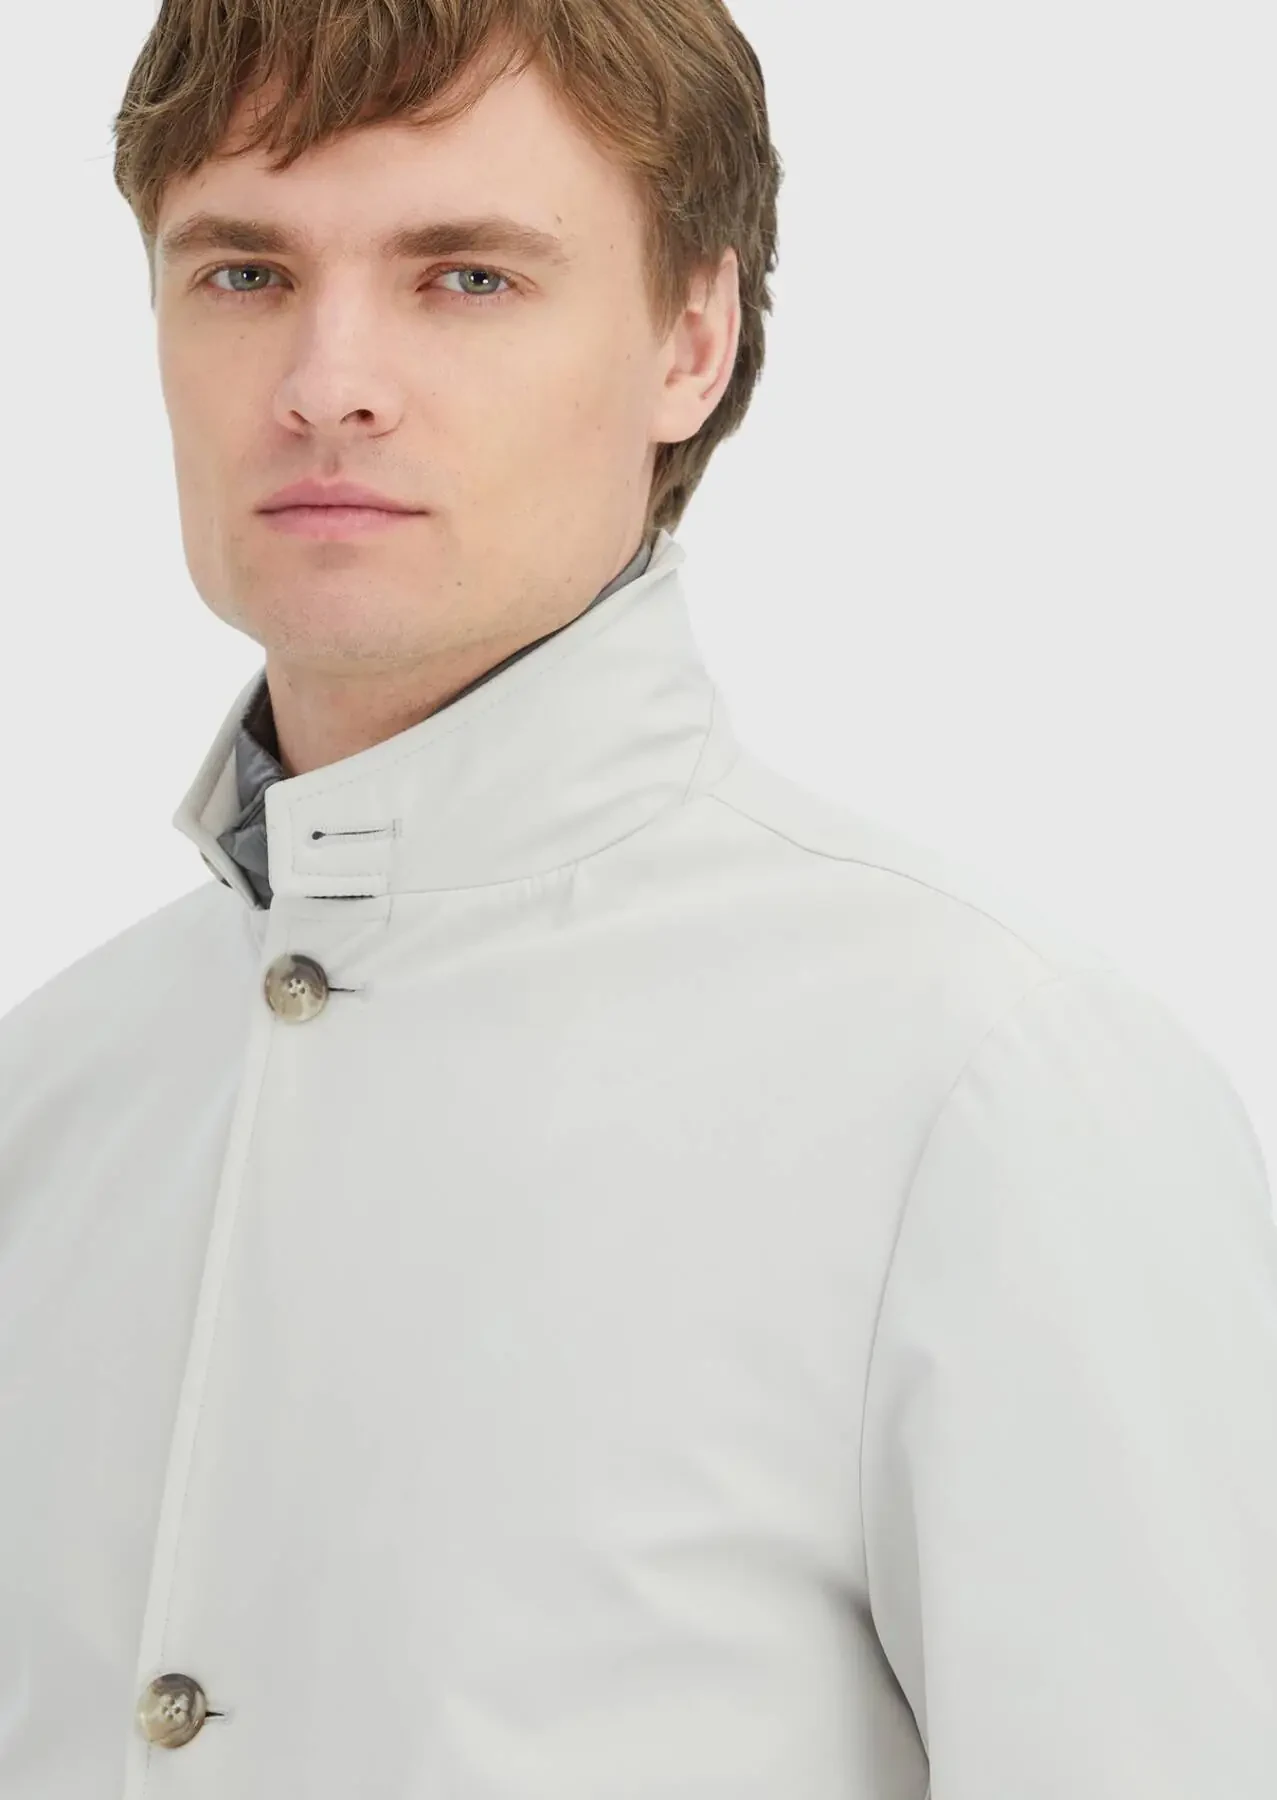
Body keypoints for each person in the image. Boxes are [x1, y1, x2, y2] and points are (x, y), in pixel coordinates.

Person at [2, 1, 1275, 1793]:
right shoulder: (56, 1097)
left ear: (693, 339)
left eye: (466, 277)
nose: (326, 380)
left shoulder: (982, 1082)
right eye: (244, 273)